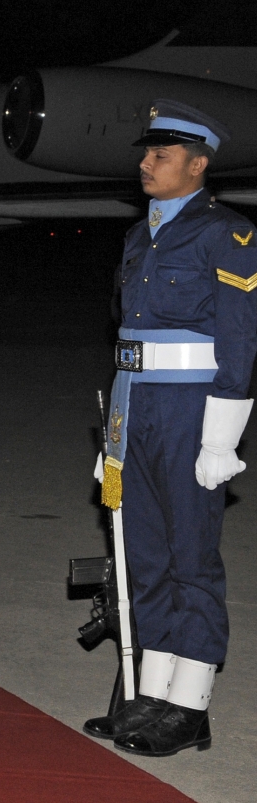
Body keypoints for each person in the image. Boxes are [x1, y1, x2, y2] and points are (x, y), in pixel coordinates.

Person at [82, 100, 257, 757]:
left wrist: (222, 438)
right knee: (143, 557)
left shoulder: (228, 234)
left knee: (191, 559)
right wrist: (114, 441)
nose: (144, 164)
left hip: (190, 410)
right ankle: (150, 695)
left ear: (198, 163)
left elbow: (240, 342)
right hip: (138, 405)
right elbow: (124, 341)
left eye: (160, 155)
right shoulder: (137, 238)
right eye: (146, 152)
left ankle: (191, 703)